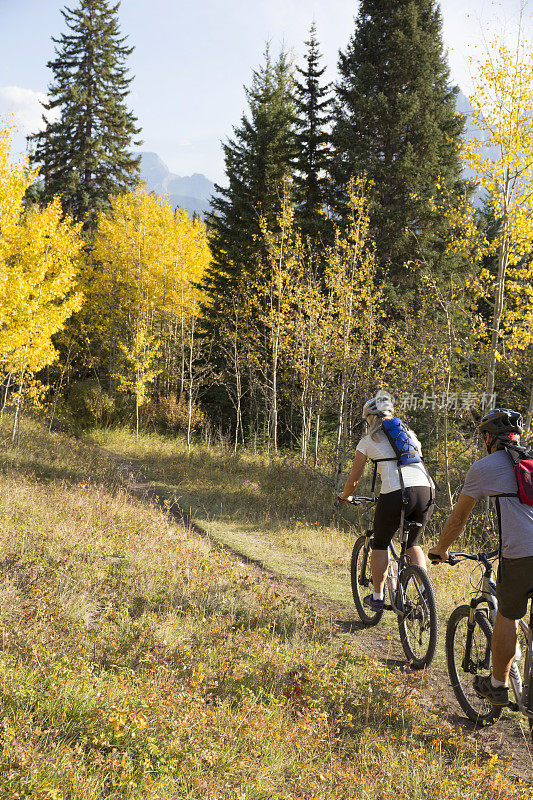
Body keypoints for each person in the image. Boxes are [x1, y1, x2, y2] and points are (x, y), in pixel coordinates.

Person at [429, 408, 533, 706]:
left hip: (521, 554)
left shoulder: (484, 467)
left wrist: (441, 549)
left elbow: (459, 518)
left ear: (489, 437)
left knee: (508, 615)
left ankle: (498, 685)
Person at [338, 393, 435, 612]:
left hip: (396, 493)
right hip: (426, 491)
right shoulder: (409, 434)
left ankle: (377, 598)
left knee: (380, 543)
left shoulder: (368, 440)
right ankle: (424, 595)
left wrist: (345, 496)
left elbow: (353, 480)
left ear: (370, 418)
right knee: (413, 543)